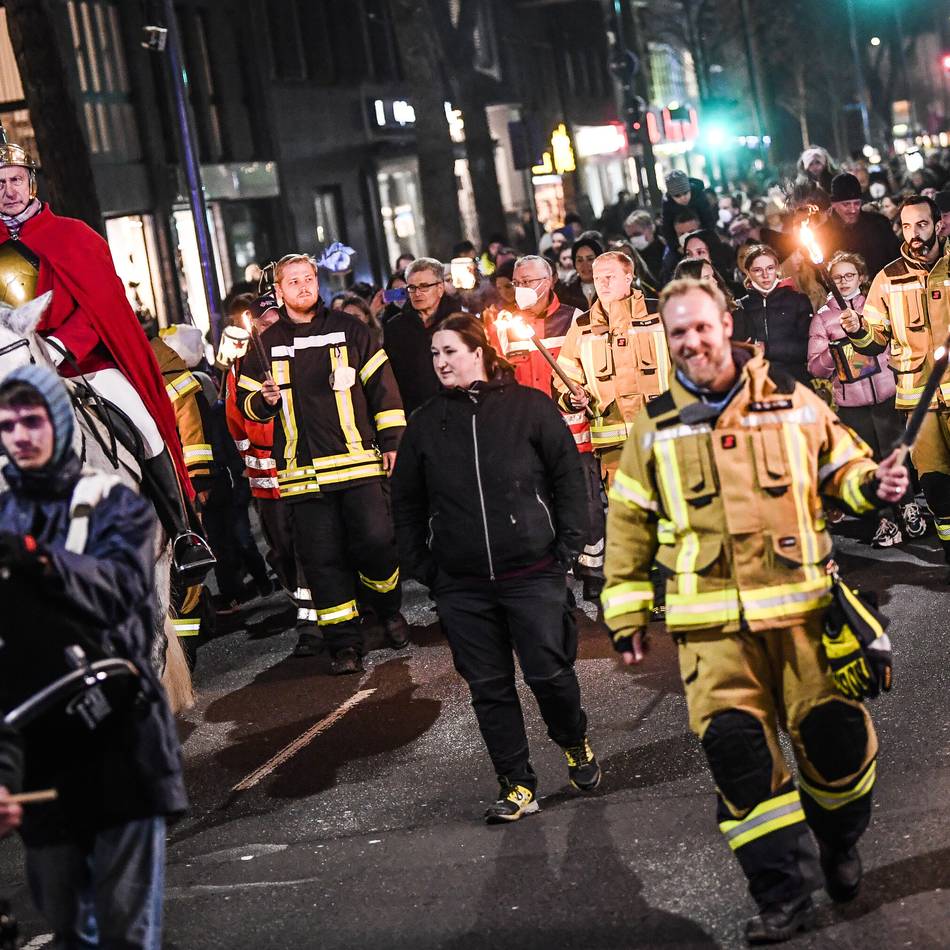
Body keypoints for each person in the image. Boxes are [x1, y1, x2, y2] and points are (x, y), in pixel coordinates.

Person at [602, 277, 908, 944]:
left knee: (836, 745)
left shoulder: (791, 399)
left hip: (804, 617)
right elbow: (628, 522)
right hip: (710, 632)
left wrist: (873, 484)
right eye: (678, 332)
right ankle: (782, 896)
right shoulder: (654, 425)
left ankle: (838, 838)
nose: (692, 341)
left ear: (725, 325)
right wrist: (625, 614)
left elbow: (843, 468)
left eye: (701, 326)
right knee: (740, 761)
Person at [0, 364, 189, 949]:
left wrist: (42, 561)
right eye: (7, 425)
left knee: (124, 929)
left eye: (32, 421)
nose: (20, 436)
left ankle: (186, 529)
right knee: (67, 922)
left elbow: (121, 593)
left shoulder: (111, 504)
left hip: (115, 736)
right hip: (41, 751)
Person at [391, 315, 599, 823]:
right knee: (489, 689)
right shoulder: (426, 422)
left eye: (450, 351)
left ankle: (574, 742)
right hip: (462, 586)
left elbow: (568, 479)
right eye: (435, 354)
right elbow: (406, 503)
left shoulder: (529, 407)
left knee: (550, 675)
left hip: (533, 573)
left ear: (478, 352)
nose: (441, 362)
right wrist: (427, 568)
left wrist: (565, 550)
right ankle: (517, 784)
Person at [0, 139, 213, 582]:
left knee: (145, 427)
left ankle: (183, 533)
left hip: (81, 365)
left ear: (31, 182)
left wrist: (61, 346)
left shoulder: (73, 235)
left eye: (15, 179)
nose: (8, 191)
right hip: (15, 372)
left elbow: (102, 307)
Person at [238, 254, 409, 673]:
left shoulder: (350, 330)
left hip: (357, 466)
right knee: (322, 561)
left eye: (308, 278)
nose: (303, 286)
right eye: (293, 281)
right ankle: (344, 645)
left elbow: (383, 389)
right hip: (302, 476)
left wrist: (392, 442)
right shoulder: (264, 344)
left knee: (377, 544)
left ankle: (386, 608)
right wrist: (264, 400)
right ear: (279, 291)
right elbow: (247, 405)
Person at [488, 255, 605, 600]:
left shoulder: (575, 319)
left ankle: (593, 569)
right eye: (517, 282)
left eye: (528, 281)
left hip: (574, 432)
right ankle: (560, 572)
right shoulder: (505, 326)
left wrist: (584, 395)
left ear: (549, 280)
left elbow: (591, 370)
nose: (521, 288)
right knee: (544, 505)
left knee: (586, 504)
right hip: (528, 437)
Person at [842, 195, 950, 567]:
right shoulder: (888, 278)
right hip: (920, 404)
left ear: (939, 225)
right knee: (935, 485)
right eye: (906, 226)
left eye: (921, 224)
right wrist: (857, 330)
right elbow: (875, 340)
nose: (914, 233)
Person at [807, 251, 926, 546]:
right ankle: (884, 518)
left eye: (849, 275)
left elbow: (895, 340)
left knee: (895, 454)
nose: (844, 281)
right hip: (852, 404)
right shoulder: (823, 318)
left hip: (886, 395)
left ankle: (908, 507)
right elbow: (814, 367)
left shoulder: (874, 305)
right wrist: (834, 352)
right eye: (837, 277)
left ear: (861, 277)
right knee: (868, 461)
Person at [555, 250, 671, 484]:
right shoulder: (582, 326)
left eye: (610, 277)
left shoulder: (660, 314)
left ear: (629, 277)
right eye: (598, 278)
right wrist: (573, 396)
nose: (603, 283)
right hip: (614, 448)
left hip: (663, 436)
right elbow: (563, 378)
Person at [382, 257, 458, 415]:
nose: (417, 293)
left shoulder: (461, 323)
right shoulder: (395, 328)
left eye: (424, 287)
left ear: (440, 288)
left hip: (458, 409)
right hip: (415, 413)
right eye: (412, 288)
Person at [733, 244, 814, 385]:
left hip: (795, 380)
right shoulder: (740, 306)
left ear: (777, 268)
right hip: (758, 382)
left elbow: (808, 347)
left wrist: (768, 349)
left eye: (770, 268)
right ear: (747, 272)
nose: (765, 275)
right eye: (757, 270)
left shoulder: (798, 300)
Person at [818, 173, 901, 280]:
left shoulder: (879, 224)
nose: (853, 210)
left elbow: (896, 259)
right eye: (846, 204)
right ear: (834, 204)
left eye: (856, 203)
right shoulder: (822, 235)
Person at [660, 170, 716, 251]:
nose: (683, 198)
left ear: (690, 189)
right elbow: (667, 229)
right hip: (680, 240)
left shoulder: (699, 195)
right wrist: (677, 247)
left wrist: (707, 240)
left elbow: (709, 220)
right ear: (671, 196)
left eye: (685, 193)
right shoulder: (667, 203)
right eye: (677, 196)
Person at [559, 231, 602, 310]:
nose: (585, 265)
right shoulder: (565, 289)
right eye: (579, 260)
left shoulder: (610, 286)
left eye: (590, 259)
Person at [624, 209, 666, 284]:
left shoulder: (665, 249)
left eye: (637, 234)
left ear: (650, 228)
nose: (633, 239)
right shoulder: (633, 257)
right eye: (630, 236)